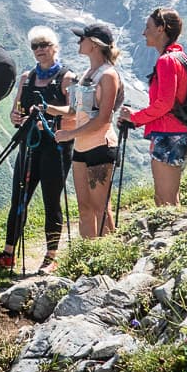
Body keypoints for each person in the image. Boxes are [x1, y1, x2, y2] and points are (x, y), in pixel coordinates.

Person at [0, 27, 77, 273]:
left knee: (51, 199)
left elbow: (76, 111)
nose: (39, 50)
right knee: (19, 198)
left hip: (57, 146)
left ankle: (51, 256)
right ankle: (8, 253)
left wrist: (49, 109)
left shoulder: (67, 78)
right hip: (29, 145)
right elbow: (16, 110)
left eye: (44, 44)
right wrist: (15, 116)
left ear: (55, 47)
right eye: (35, 46)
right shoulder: (27, 78)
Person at [54, 22, 125, 241]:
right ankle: (87, 258)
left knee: (100, 207)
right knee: (84, 208)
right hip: (82, 148)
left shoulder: (108, 75)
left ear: (94, 44)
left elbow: (104, 119)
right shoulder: (88, 73)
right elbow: (75, 111)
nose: (78, 41)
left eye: (82, 38)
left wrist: (69, 135)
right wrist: (46, 108)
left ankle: (108, 258)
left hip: (101, 147)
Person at [119, 7, 187, 207]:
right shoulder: (180, 57)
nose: (144, 32)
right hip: (179, 133)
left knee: (165, 200)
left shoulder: (166, 61)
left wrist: (134, 117)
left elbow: (165, 103)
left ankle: (174, 237)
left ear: (161, 29)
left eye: (148, 27)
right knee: (169, 198)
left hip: (168, 134)